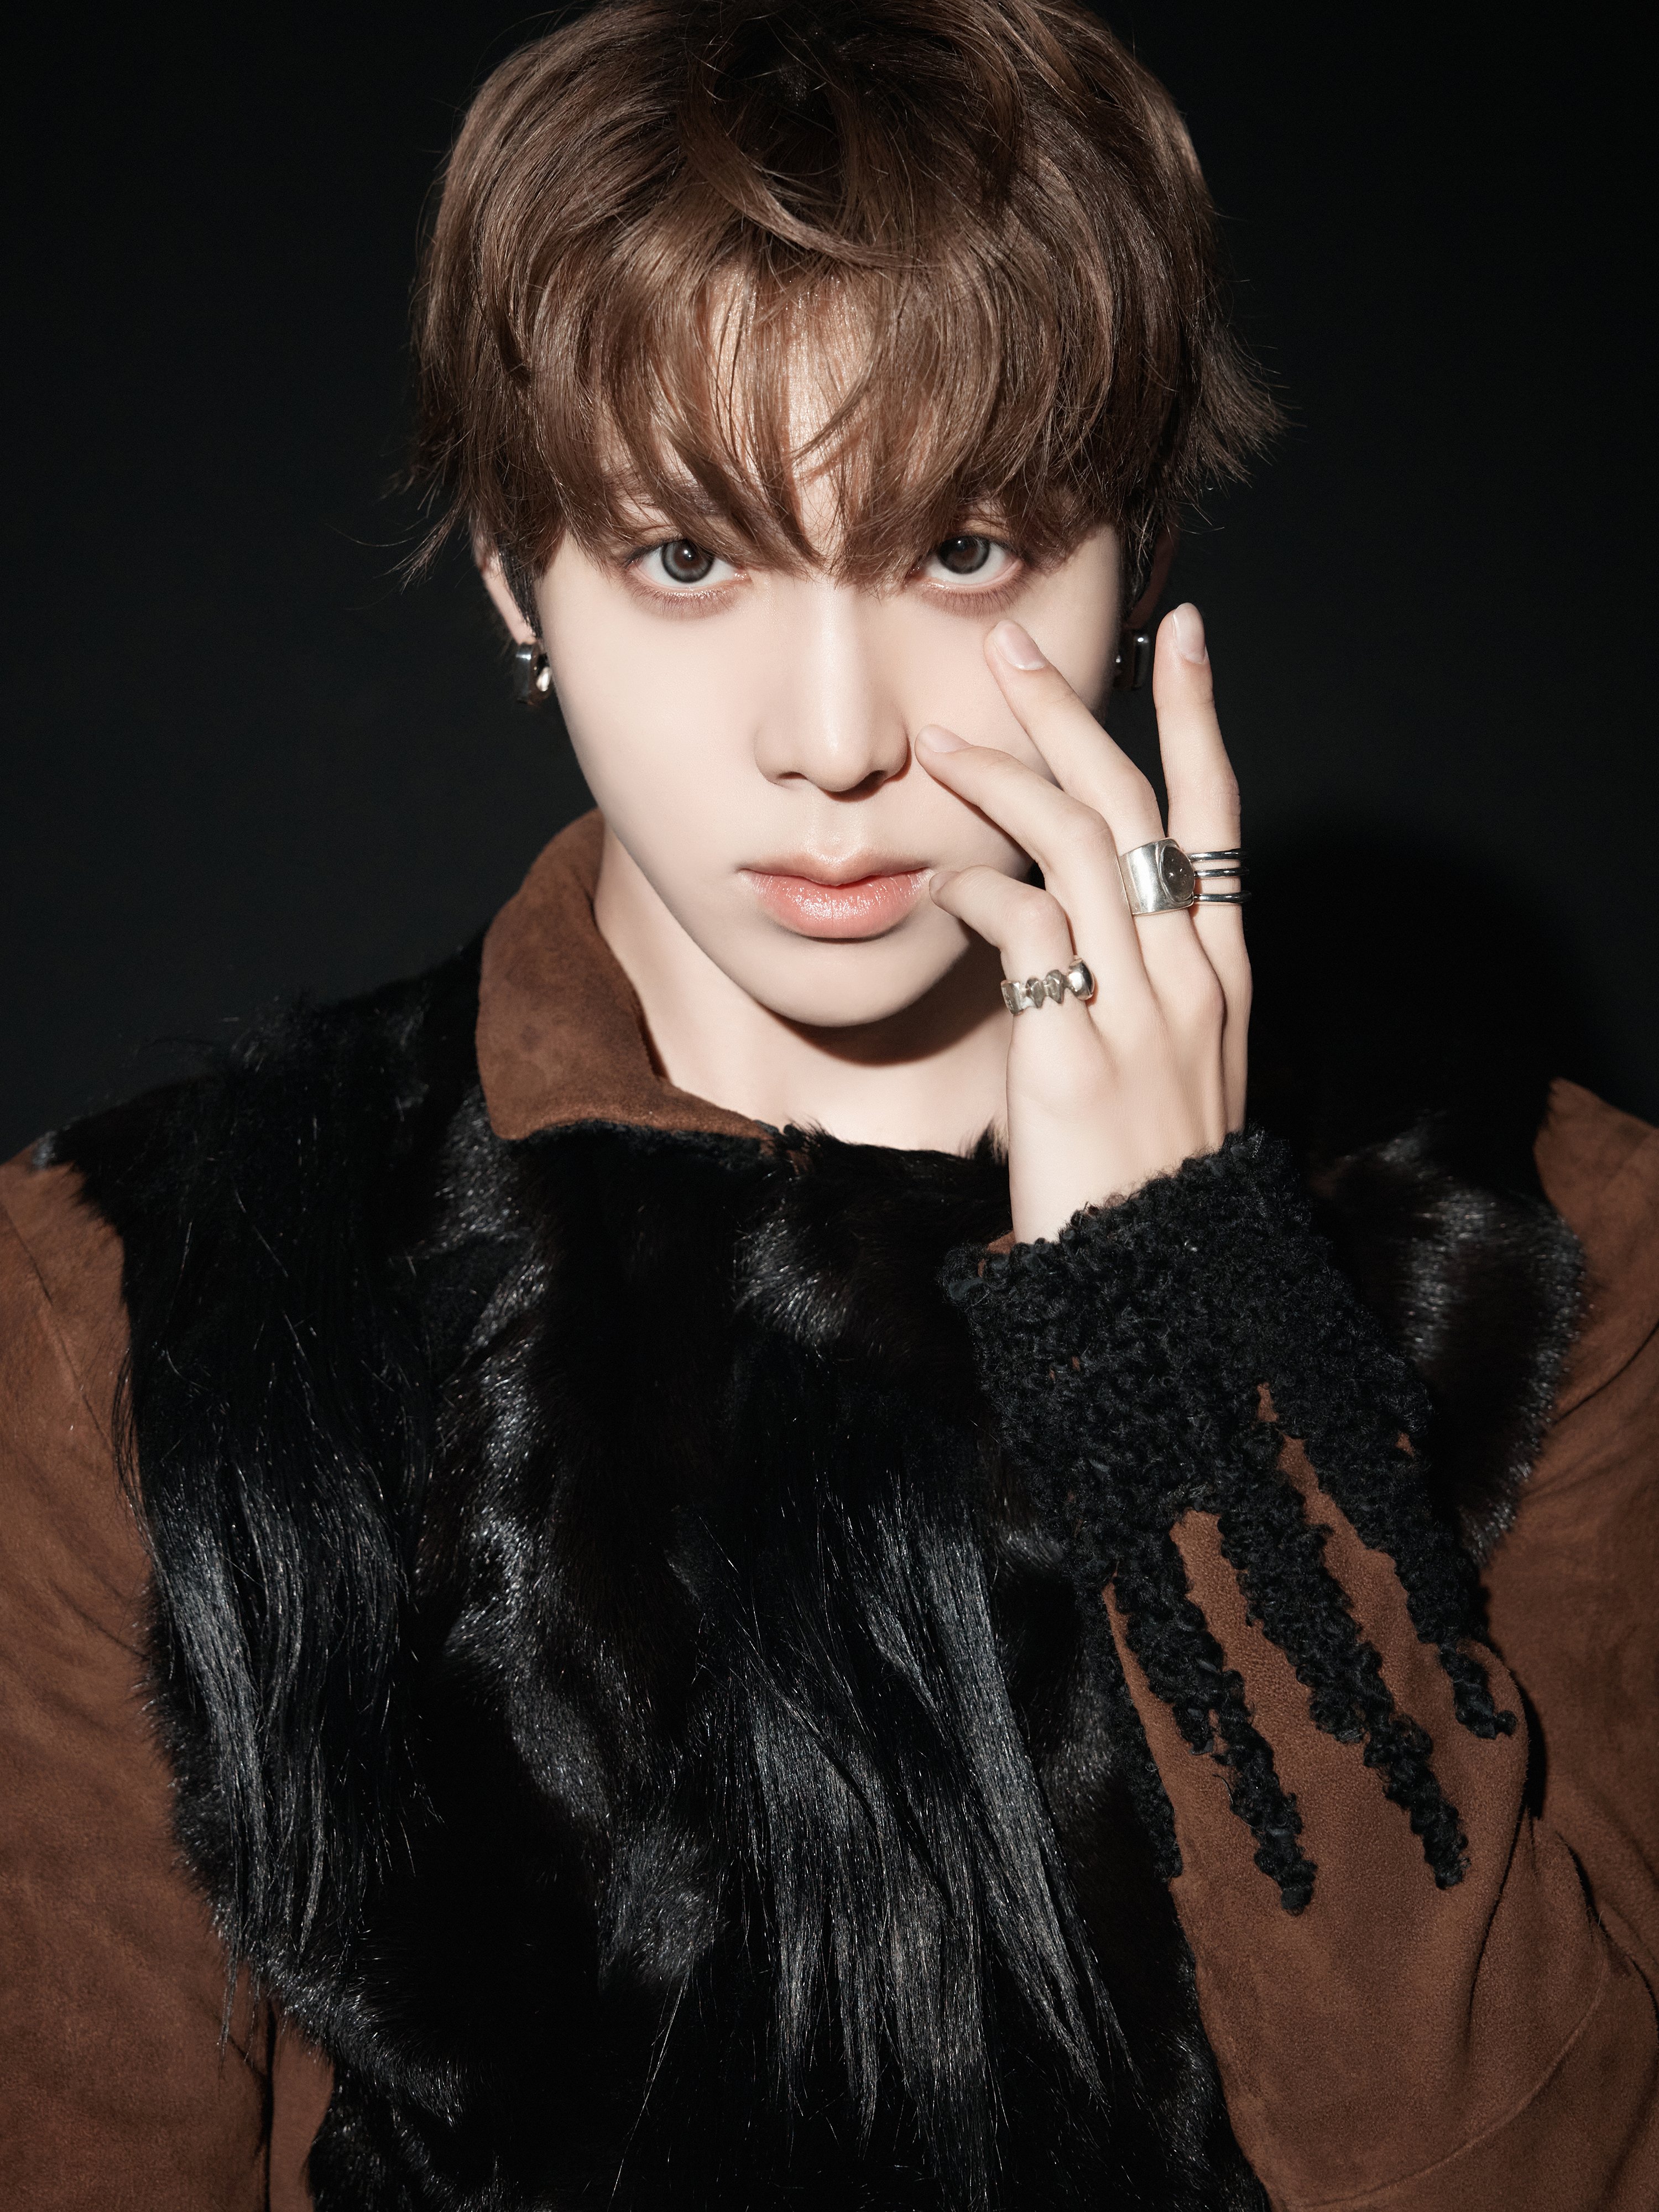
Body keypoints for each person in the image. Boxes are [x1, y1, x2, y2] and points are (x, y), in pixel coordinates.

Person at [2, 2, 1655, 2205]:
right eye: (690, 559)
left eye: (962, 547)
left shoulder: (1562, 1236)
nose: (835, 735)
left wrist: (1180, 1313)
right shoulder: (135, 1295)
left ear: (1137, 552)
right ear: (512, 573)